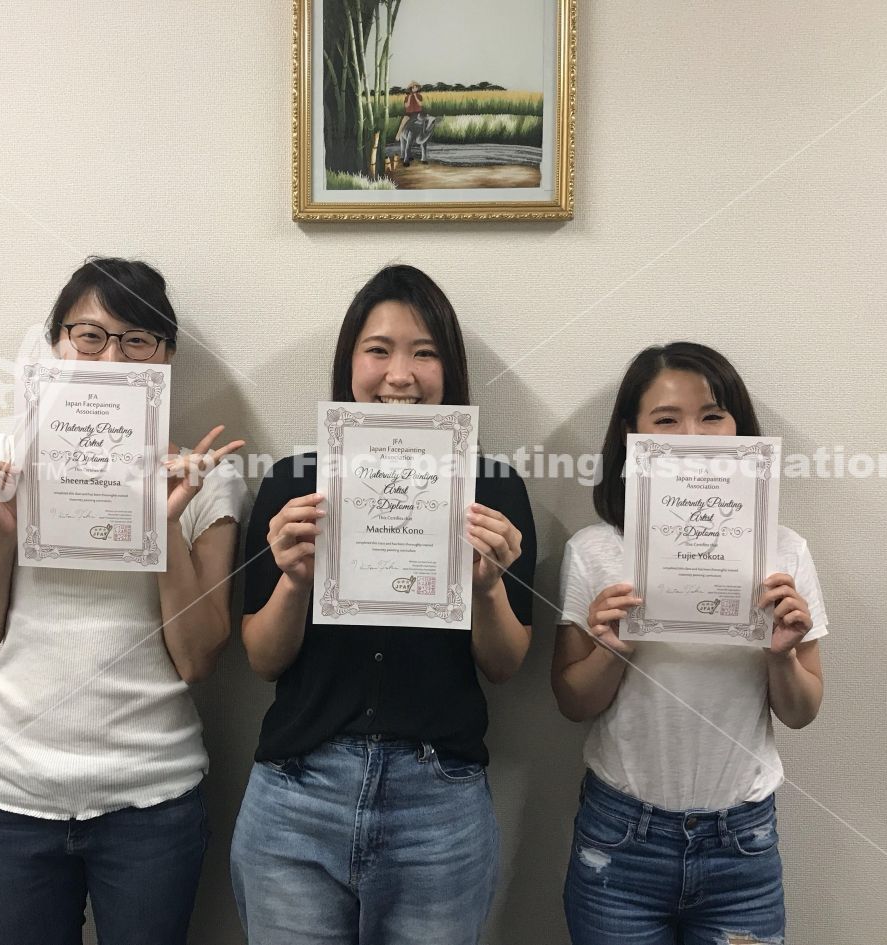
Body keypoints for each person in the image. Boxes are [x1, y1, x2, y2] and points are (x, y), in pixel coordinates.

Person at [230, 264, 537, 945]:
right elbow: (261, 658)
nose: (400, 375)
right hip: (299, 792)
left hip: (439, 803)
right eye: (378, 350)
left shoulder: (494, 488)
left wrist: (488, 587)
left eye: (424, 353)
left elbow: (507, 664)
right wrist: (294, 581)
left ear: (450, 370)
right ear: (350, 364)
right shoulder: (294, 484)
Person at [0, 257, 247, 945]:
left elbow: (198, 659)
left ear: (166, 356)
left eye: (137, 339)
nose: (111, 358)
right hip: (10, 796)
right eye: (89, 336)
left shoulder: (206, 478)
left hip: (152, 799)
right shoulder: (2, 462)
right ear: (56, 344)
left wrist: (161, 524)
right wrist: (0, 533)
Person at [551, 341, 827, 945]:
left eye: (712, 415)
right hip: (620, 839)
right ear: (631, 436)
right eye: (666, 419)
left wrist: (781, 653)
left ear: (739, 429)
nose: (694, 437)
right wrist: (613, 649)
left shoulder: (785, 552)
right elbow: (572, 702)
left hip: (743, 845)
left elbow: (802, 711)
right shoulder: (595, 551)